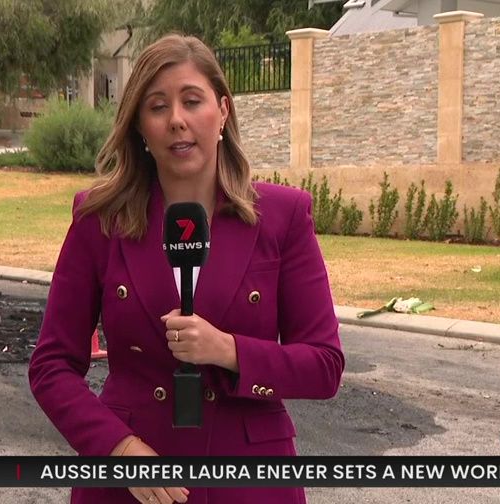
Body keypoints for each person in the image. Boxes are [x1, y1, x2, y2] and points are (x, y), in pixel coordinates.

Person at [29, 34, 344, 504]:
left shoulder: (283, 217)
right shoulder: (100, 220)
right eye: (158, 107)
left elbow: (324, 367)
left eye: (192, 101)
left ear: (223, 112)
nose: (176, 119)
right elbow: (51, 367)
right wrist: (117, 448)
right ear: (140, 127)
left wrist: (227, 350)